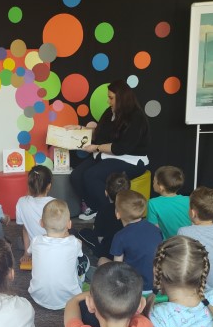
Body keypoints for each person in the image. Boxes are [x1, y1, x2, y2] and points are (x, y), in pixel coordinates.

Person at [69, 80, 150, 220]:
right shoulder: (110, 112)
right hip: (107, 155)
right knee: (76, 175)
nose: (108, 101)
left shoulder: (136, 118)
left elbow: (120, 148)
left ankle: (108, 212)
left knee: (91, 176)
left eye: (111, 98)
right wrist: (80, 128)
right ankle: (94, 206)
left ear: (122, 98)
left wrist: (96, 147)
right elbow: (99, 132)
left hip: (131, 160)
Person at [28, 199, 88, 310]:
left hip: (38, 296)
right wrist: (70, 237)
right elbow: (79, 247)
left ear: (41, 223)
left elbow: (29, 252)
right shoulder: (74, 243)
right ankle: (81, 278)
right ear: (69, 224)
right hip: (69, 298)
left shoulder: (35, 241)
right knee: (83, 259)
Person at [109, 190, 163, 292]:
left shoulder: (120, 236)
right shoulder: (156, 230)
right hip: (156, 286)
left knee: (102, 261)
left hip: (133, 289)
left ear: (118, 214)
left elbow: (117, 267)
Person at [77, 172, 126, 259]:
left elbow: (99, 238)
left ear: (106, 192)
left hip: (108, 252)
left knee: (83, 232)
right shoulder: (129, 209)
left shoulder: (103, 210)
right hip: (125, 250)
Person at [15, 165, 54, 263]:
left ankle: (27, 249)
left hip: (35, 249)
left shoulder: (21, 202)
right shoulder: (56, 203)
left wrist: (26, 253)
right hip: (53, 248)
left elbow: (25, 229)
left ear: (29, 184)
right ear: (49, 186)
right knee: (73, 232)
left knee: (19, 240)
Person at [147, 166, 191, 239]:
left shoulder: (153, 203)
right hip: (189, 242)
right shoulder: (189, 200)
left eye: (154, 181)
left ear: (161, 187)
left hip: (169, 244)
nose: (153, 183)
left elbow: (153, 229)